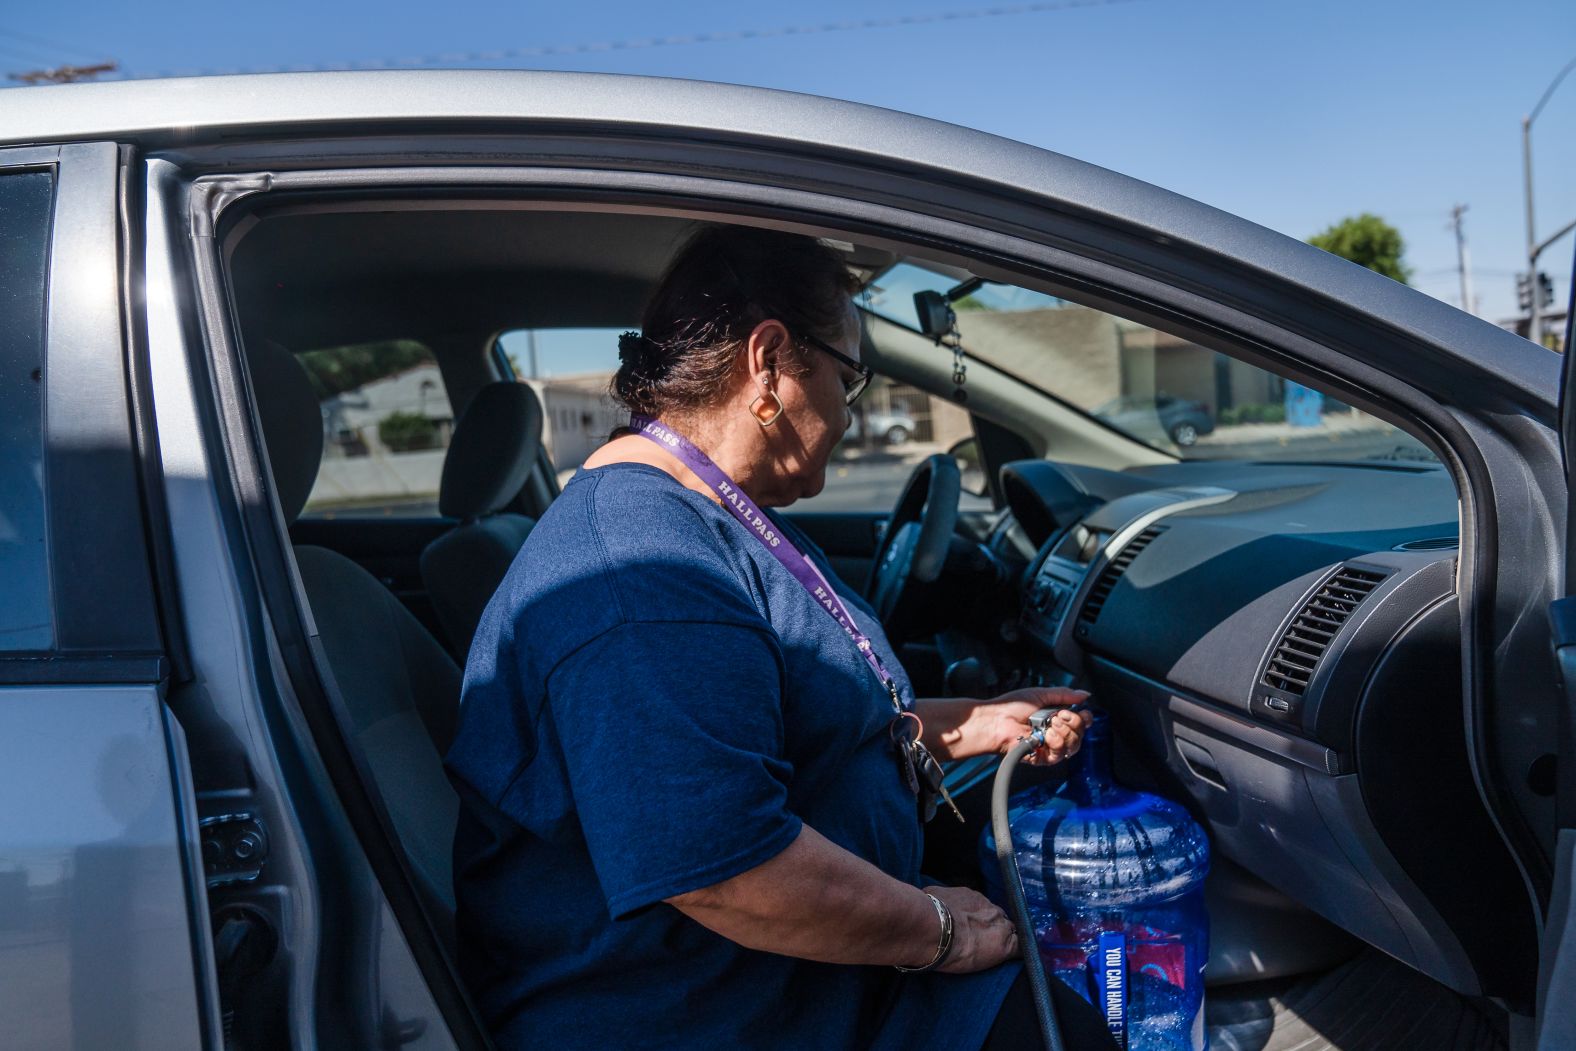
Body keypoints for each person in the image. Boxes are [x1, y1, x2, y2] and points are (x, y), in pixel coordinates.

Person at [445, 225, 1102, 1050]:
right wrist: (943, 931)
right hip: (717, 1008)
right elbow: (727, 869)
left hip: (794, 974)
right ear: (770, 361)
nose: (851, 411)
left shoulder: (706, 517)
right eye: (850, 376)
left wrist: (962, 723)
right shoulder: (641, 573)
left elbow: (770, 715)